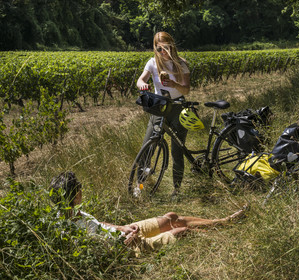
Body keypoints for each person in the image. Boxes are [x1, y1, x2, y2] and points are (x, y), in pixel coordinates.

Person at [49, 171, 247, 254]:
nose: (82, 191)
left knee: (171, 217)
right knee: (182, 231)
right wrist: (124, 241)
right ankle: (223, 238)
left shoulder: (74, 212)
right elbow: (95, 253)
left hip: (127, 233)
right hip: (128, 248)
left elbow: (100, 225)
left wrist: (123, 227)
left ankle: (223, 221)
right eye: (79, 189)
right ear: (74, 196)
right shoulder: (66, 230)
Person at [136, 31, 190, 199]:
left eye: (165, 48)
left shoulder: (181, 64)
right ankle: (140, 185)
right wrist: (143, 85)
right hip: (160, 107)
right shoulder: (152, 63)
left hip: (178, 107)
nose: (163, 52)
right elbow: (140, 80)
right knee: (148, 146)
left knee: (177, 150)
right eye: (159, 49)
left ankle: (176, 189)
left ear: (171, 45)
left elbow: (186, 89)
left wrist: (174, 83)